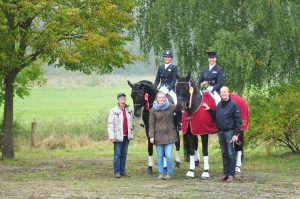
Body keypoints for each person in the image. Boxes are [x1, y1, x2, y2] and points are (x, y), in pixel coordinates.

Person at [203, 86, 242, 183]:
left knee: (230, 153)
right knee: (224, 154)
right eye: (222, 92)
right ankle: (225, 173)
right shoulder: (219, 104)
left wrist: (236, 134)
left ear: (229, 93)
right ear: (220, 94)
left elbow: (238, 120)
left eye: (225, 92)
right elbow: (216, 114)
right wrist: (209, 109)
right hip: (220, 132)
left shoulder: (234, 105)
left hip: (230, 132)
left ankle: (231, 175)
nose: (223, 93)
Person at [149, 91, 178, 180]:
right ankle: (161, 173)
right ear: (157, 99)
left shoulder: (171, 107)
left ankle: (169, 173)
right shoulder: (153, 109)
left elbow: (181, 109)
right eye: (159, 98)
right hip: (158, 136)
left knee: (168, 155)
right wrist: (151, 136)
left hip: (170, 135)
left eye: (162, 97)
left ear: (165, 98)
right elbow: (151, 124)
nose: (161, 99)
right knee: (160, 155)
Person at [107, 92, 134, 178]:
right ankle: (117, 172)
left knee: (124, 154)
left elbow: (134, 118)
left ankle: (122, 171)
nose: (122, 99)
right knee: (117, 155)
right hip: (118, 136)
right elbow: (110, 124)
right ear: (118, 99)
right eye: (121, 97)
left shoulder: (129, 109)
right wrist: (111, 136)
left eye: (124, 97)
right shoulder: (113, 110)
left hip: (127, 135)